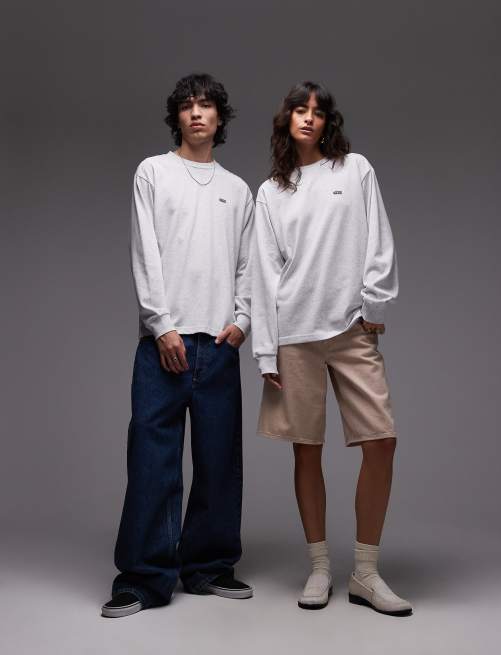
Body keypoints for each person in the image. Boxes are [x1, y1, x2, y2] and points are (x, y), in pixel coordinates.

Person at [251, 81, 412, 616]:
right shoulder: (271, 192)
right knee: (306, 449)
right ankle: (319, 567)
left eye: (318, 112)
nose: (308, 118)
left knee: (381, 440)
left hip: (350, 329)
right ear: (287, 120)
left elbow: (378, 240)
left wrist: (374, 306)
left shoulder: (354, 169)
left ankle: (366, 572)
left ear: (327, 123)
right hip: (294, 333)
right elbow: (265, 273)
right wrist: (266, 351)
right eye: (300, 110)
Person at [101, 73, 254, 618]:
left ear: (219, 117)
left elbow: (248, 264)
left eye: (206, 105)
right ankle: (143, 579)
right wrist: (160, 324)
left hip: (218, 343)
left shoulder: (239, 190)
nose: (196, 113)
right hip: (162, 343)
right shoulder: (153, 172)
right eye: (187, 105)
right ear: (177, 117)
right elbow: (144, 251)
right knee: (152, 462)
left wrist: (244, 319)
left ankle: (209, 567)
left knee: (219, 463)